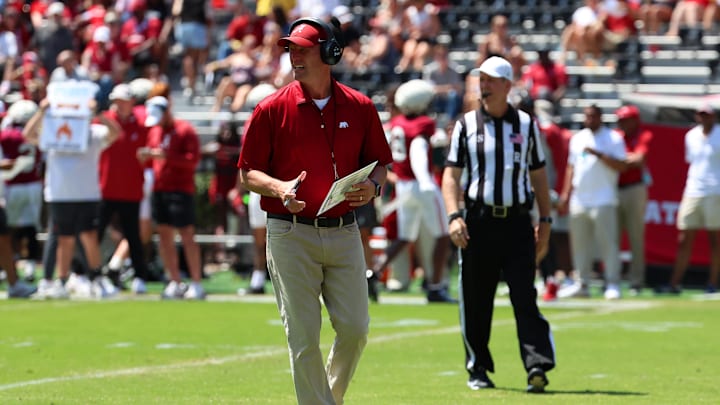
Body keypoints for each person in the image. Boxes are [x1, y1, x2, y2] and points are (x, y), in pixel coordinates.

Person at [238, 17, 392, 405]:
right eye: (291, 49)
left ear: (330, 52)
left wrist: (373, 187)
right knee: (304, 337)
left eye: (304, 49)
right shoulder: (269, 109)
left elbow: (380, 163)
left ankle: (328, 400)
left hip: (343, 231)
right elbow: (247, 173)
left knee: (356, 329)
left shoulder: (361, 106)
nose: (295, 56)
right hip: (290, 234)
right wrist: (278, 187)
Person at [440, 56, 555, 393]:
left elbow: (539, 177)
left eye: (491, 80)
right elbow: (451, 176)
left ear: (507, 85)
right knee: (476, 299)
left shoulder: (526, 124)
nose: (484, 85)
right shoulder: (465, 125)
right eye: (482, 79)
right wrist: (454, 215)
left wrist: (545, 222)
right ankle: (478, 367)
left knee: (525, 296)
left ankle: (536, 366)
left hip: (518, 222)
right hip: (478, 221)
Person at [24, 95, 121, 299]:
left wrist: (98, 114)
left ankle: (96, 277)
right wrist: (42, 112)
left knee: (89, 236)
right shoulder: (53, 133)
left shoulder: (93, 132)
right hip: (60, 194)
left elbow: (116, 133)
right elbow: (28, 134)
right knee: (65, 238)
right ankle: (61, 281)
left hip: (87, 194)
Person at [371, 79, 455, 303]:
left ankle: (374, 273)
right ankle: (436, 286)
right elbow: (418, 149)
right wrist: (426, 180)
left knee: (404, 237)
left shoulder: (398, 123)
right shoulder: (421, 125)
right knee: (444, 235)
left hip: (404, 186)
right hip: (421, 185)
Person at [558, 104, 628, 299]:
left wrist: (598, 154)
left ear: (600, 117)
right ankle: (582, 283)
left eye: (592, 116)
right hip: (580, 198)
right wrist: (566, 194)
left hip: (604, 198)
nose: (589, 119)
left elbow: (622, 166)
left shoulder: (613, 138)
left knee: (608, 243)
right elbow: (571, 167)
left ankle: (612, 282)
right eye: (586, 116)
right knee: (580, 244)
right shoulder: (578, 139)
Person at [138, 95, 204, 300]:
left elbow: (193, 160)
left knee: (186, 235)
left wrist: (167, 157)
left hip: (180, 189)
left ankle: (196, 282)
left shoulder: (185, 130)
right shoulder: (155, 130)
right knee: (164, 236)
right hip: (160, 189)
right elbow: (153, 161)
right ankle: (174, 281)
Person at [97, 84, 151, 294]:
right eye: (117, 101)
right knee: (95, 233)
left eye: (123, 101)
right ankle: (84, 272)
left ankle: (140, 277)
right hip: (105, 188)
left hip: (131, 190)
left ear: (131, 102)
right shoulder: (103, 122)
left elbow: (147, 157)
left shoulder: (141, 125)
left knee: (133, 236)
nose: (120, 105)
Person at [662, 104, 720, 294]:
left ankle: (712, 283)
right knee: (684, 238)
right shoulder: (691, 136)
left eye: (707, 115)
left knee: (715, 240)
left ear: (713, 117)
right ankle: (674, 283)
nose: (704, 118)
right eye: (701, 115)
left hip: (715, 192)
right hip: (693, 191)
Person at [0, 100, 44, 283]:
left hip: (12, 185)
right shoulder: (38, 135)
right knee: (31, 227)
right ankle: (30, 266)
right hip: (34, 185)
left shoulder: (6, 136)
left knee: (8, 227)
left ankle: (8, 265)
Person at [614, 105, 654, 295]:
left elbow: (639, 159)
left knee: (635, 237)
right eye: (620, 120)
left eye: (625, 119)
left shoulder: (643, 135)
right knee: (612, 236)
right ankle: (612, 279)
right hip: (614, 189)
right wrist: (623, 161)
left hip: (634, 189)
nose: (621, 123)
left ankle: (636, 281)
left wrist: (617, 161)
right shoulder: (615, 135)